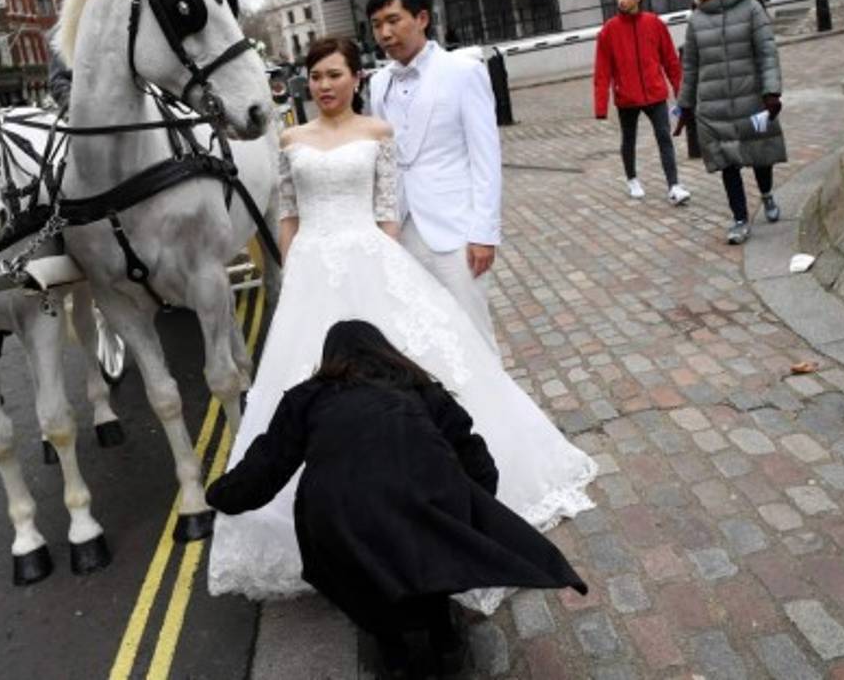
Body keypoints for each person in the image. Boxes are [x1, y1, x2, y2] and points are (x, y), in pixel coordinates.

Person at [207, 38, 596, 614]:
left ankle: (432, 491)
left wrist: (384, 273)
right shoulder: (290, 139)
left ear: (355, 78)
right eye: (315, 76)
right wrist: (293, 274)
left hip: (370, 257)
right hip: (312, 263)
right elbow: (287, 215)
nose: (324, 85)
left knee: (418, 374)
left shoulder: (377, 134)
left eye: (334, 74)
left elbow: (388, 215)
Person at [207, 320, 587, 679]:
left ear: (331, 357)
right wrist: (467, 518)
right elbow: (475, 457)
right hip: (422, 496)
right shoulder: (421, 389)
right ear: (384, 351)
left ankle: (394, 653)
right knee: (428, 546)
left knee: (360, 564)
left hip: (339, 513)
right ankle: (445, 639)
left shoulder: (307, 397)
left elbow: (265, 469)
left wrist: (219, 495)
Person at [366, 0, 501, 350]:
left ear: (421, 18)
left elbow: (486, 156)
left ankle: (489, 408)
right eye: (377, 25)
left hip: (456, 229)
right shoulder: (378, 84)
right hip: (403, 229)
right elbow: (387, 160)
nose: (385, 33)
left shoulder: (463, 71)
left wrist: (484, 232)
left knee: (474, 336)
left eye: (393, 20)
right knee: (424, 339)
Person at [676, 0, 786, 245]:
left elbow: (767, 52)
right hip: (714, 106)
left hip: (752, 100)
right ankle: (739, 219)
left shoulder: (751, 8)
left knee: (761, 154)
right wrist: (685, 106)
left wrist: (771, 92)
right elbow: (690, 67)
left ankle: (766, 194)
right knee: (727, 162)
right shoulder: (697, 19)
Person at [593, 0, 690, 205]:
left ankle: (674, 185)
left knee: (664, 137)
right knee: (629, 140)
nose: (621, 1)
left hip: (655, 94)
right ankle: (632, 178)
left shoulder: (654, 23)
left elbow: (671, 62)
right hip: (627, 97)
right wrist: (600, 106)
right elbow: (602, 70)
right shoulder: (609, 30)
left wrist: (680, 93)